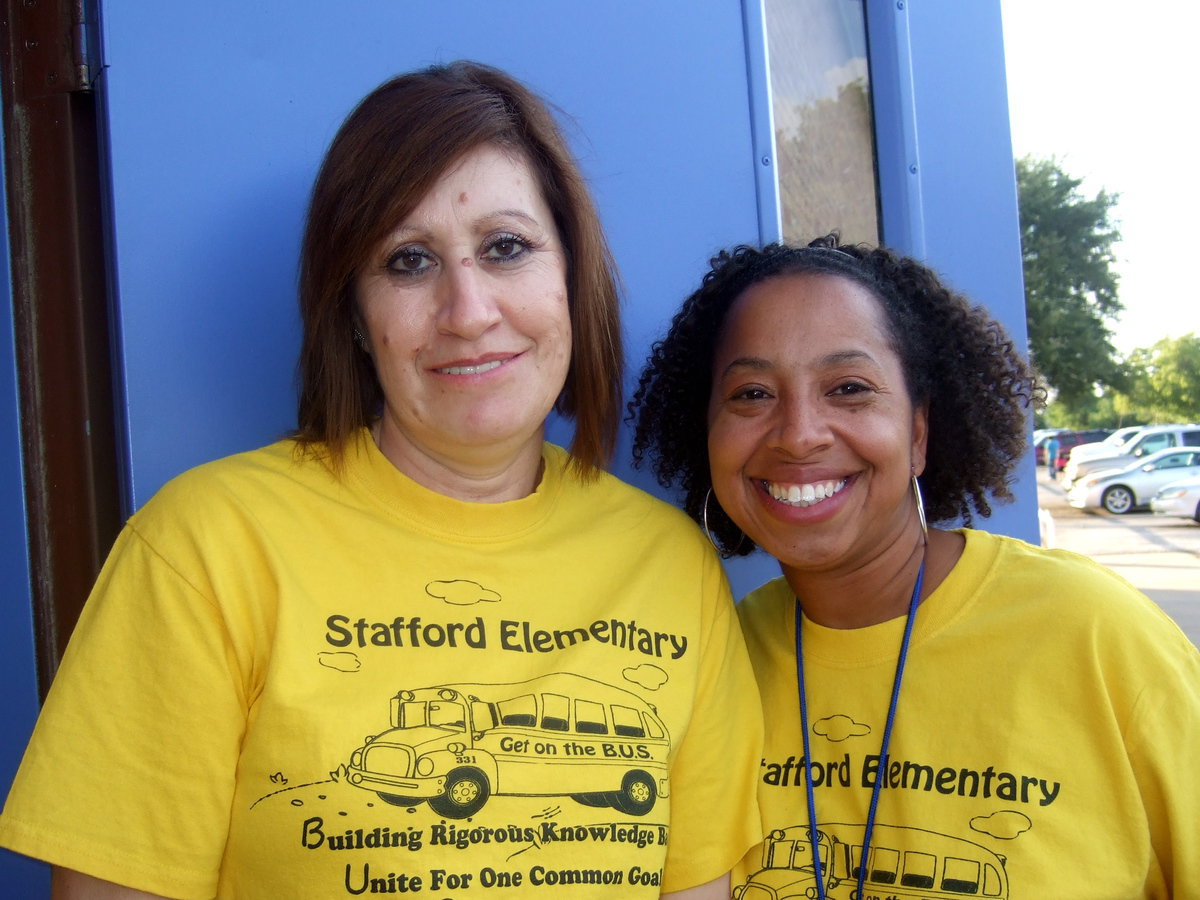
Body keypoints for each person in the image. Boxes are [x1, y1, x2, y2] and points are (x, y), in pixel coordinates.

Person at [0, 62, 762, 899]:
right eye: (407, 261)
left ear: (570, 281)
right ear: (357, 322)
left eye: (506, 247)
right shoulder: (207, 547)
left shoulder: (672, 566)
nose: (467, 310)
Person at [630, 236, 1200, 897]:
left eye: (849, 388)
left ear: (919, 434)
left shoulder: (1096, 635)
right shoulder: (715, 660)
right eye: (752, 393)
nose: (798, 433)